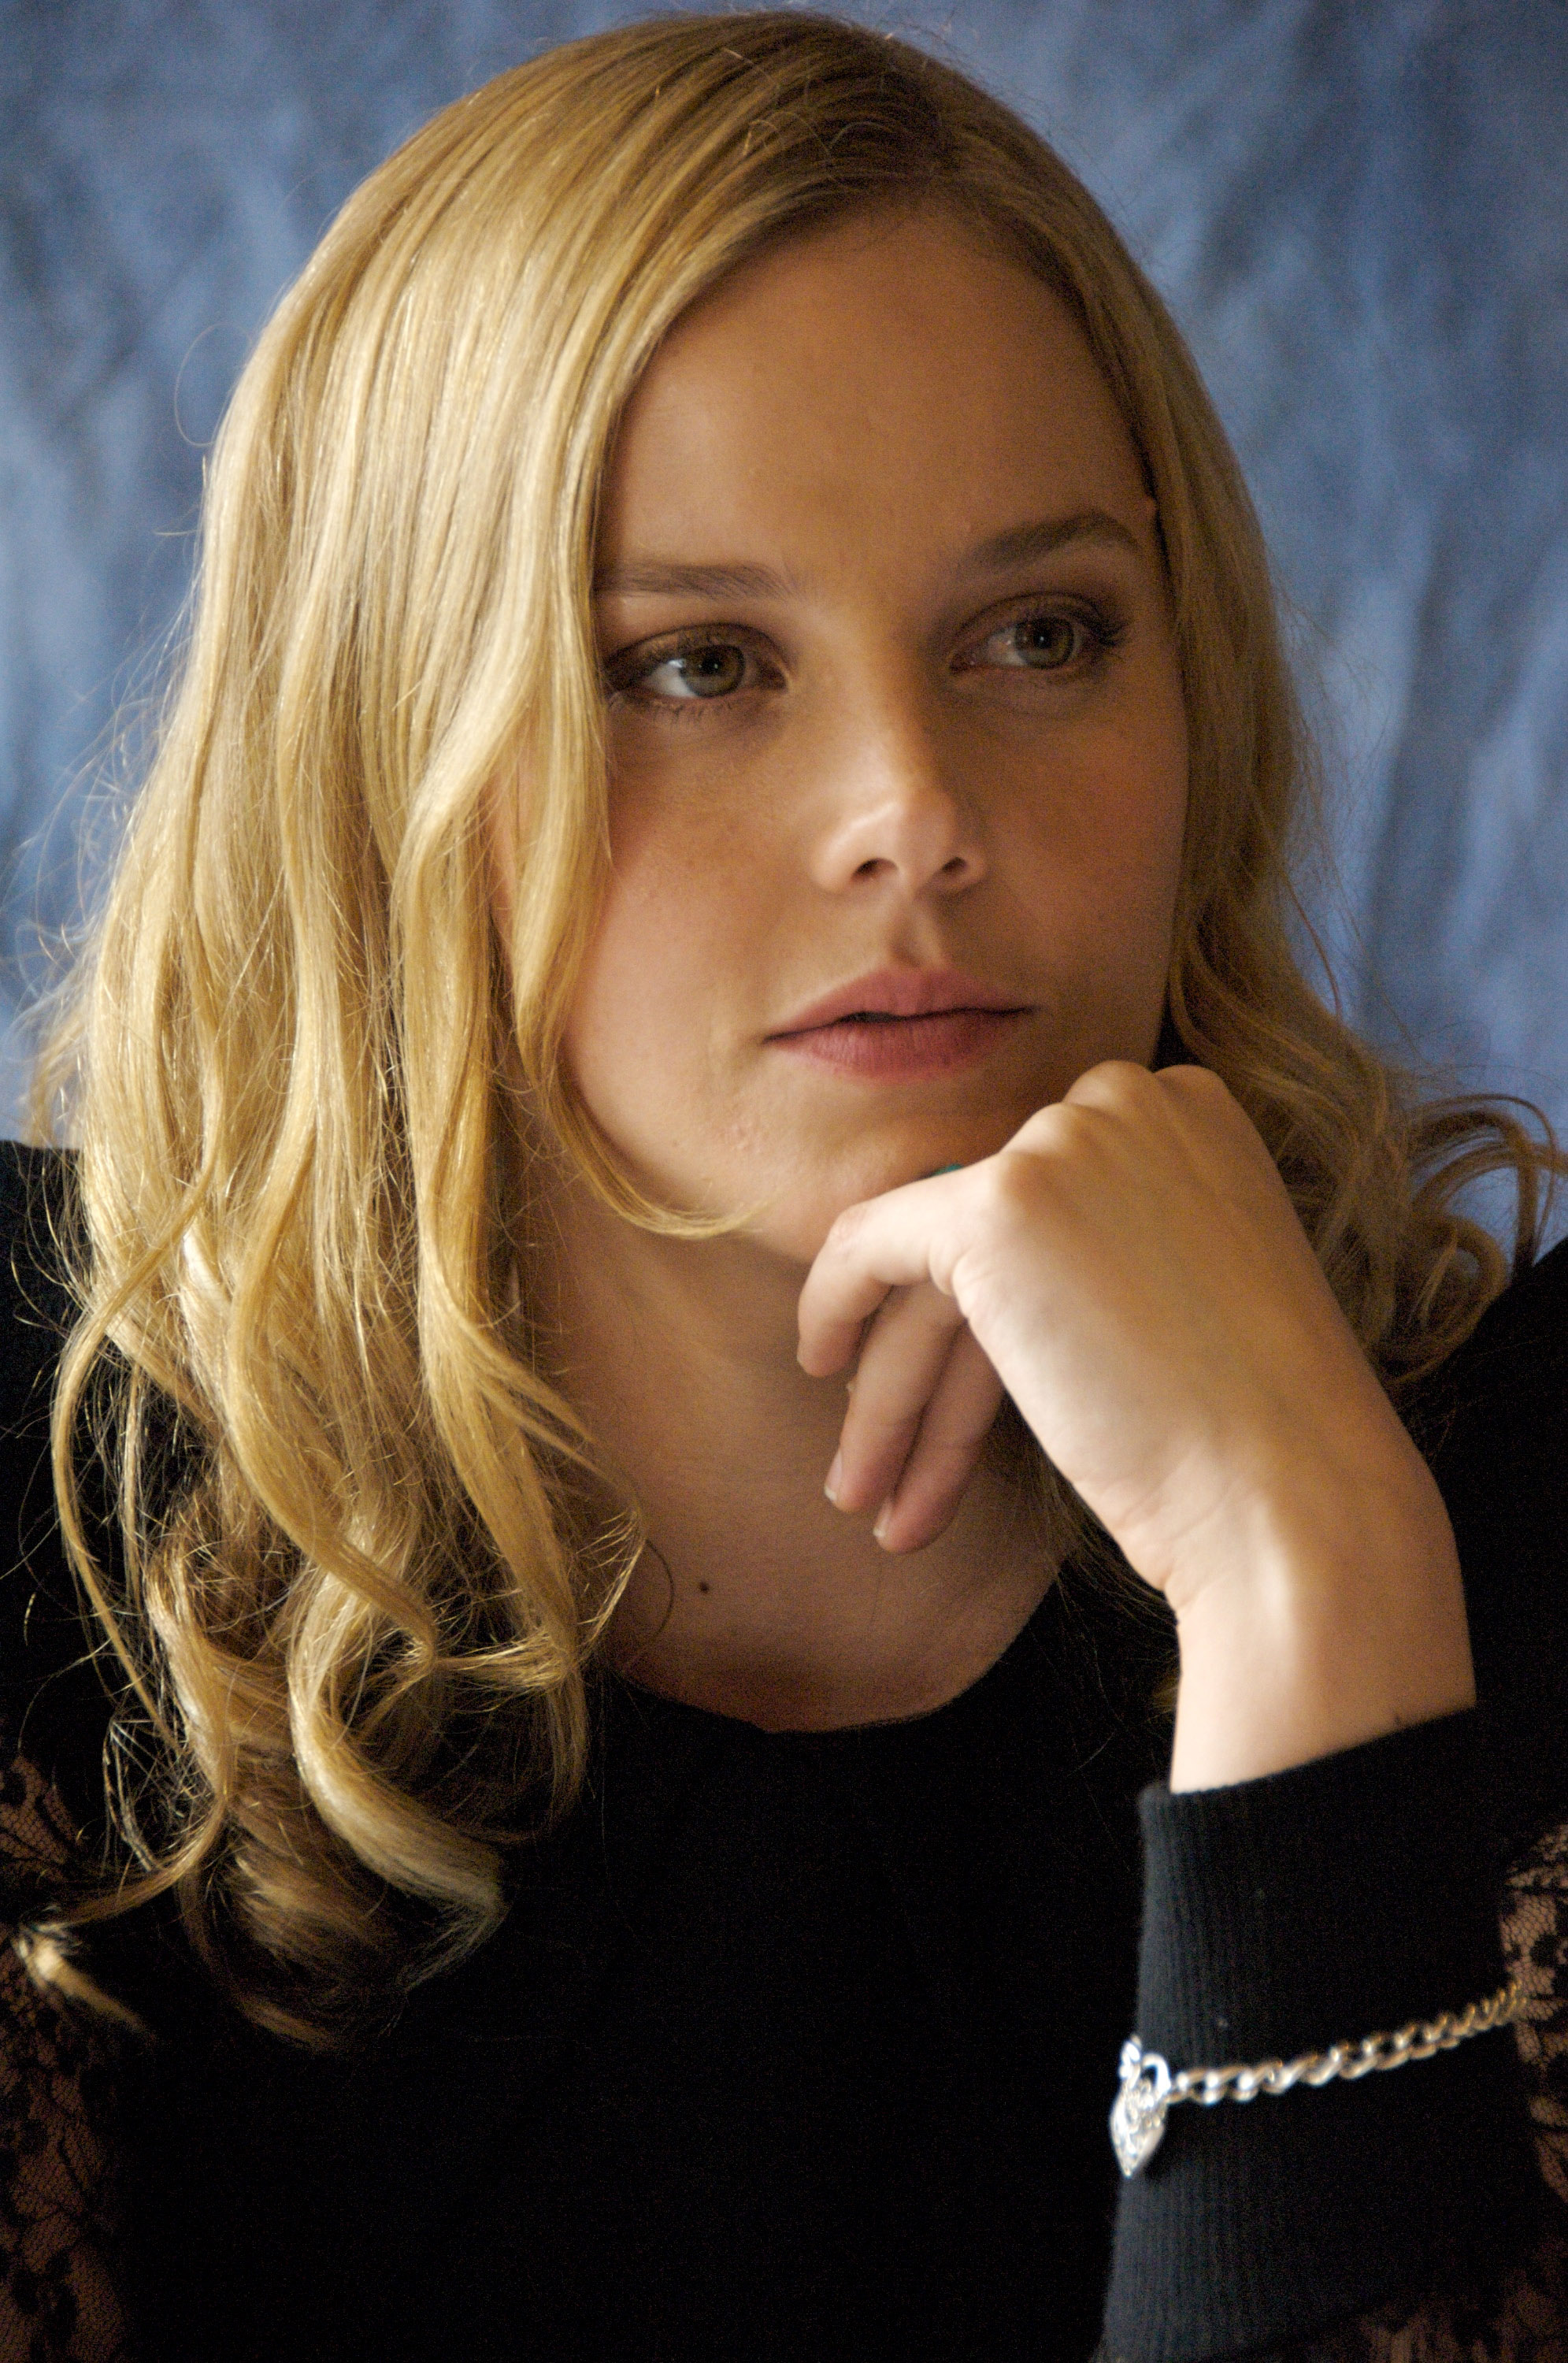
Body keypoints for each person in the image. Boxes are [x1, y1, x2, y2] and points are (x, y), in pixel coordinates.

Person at [2, 13, 1565, 2358]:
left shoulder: (1518, 1485)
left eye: (1041, 634)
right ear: (376, 757)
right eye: (696, 664)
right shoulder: (42, 1488)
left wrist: (1305, 1565)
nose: (912, 808)